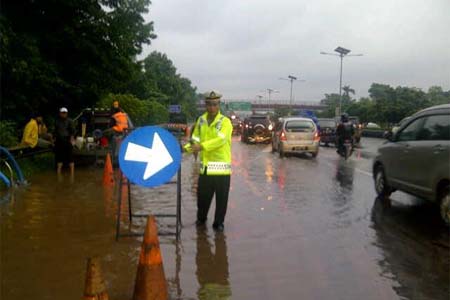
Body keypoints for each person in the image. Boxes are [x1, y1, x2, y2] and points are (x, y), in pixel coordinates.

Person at [184, 90, 232, 232]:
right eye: (209, 104)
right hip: (205, 169)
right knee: (202, 199)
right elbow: (195, 139)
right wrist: (186, 148)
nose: (212, 107)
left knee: (221, 201)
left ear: (219, 105)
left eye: (215, 104)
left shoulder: (225, 122)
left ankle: (218, 224)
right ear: (205, 105)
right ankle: (201, 220)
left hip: (221, 169)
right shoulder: (201, 120)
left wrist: (202, 146)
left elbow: (221, 140)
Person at [54, 107, 76, 175]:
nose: (64, 114)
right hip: (59, 141)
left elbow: (72, 131)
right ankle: (58, 172)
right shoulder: (57, 121)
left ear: (67, 113)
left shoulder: (70, 121)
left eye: (65, 113)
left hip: (67, 140)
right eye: (62, 112)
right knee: (59, 157)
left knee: (70, 157)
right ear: (60, 113)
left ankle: (72, 174)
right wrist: (53, 140)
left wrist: (72, 140)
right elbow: (55, 131)